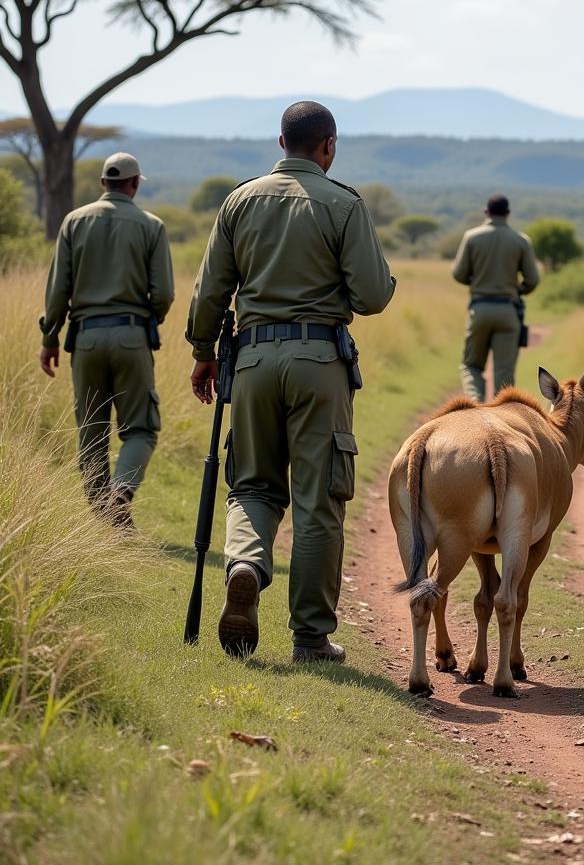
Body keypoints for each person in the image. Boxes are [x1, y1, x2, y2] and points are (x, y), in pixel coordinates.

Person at [187, 101, 396, 663]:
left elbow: (210, 291)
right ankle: (309, 636)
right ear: (329, 146)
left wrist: (204, 352)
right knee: (319, 499)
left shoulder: (239, 200)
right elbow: (373, 296)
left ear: (281, 143)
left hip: (251, 364)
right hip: (319, 364)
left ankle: (246, 567)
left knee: (252, 486)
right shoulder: (343, 204)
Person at [39, 152, 174, 529]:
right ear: (134, 185)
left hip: (84, 339)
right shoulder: (152, 226)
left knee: (91, 431)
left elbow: (57, 291)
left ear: (103, 184)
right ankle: (121, 495)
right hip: (132, 336)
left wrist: (50, 337)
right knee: (141, 429)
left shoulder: (73, 221)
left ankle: (103, 521)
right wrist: (148, 321)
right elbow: (163, 293)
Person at [452, 193, 540, 402]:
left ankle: (475, 406)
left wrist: (477, 283)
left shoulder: (472, 237)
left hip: (480, 309)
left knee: (471, 365)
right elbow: (533, 279)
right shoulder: (520, 240)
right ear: (508, 214)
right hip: (509, 312)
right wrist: (518, 290)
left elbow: (458, 274)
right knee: (504, 373)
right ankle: (501, 417)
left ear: (486, 212)